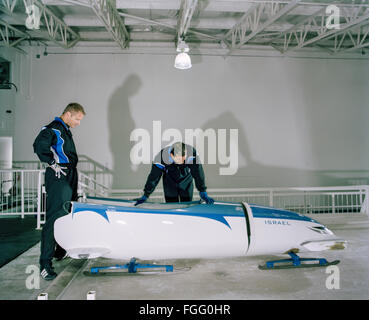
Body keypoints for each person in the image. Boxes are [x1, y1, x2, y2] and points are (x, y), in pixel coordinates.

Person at [33, 103, 85, 280]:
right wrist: (51, 163)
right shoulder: (53, 128)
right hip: (59, 174)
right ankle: (45, 264)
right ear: (68, 114)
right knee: (54, 217)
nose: (78, 123)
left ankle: (60, 250)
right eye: (77, 119)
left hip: (70, 173)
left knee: (68, 212)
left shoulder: (65, 129)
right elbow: (39, 145)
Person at [135, 142, 214, 205]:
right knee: (172, 205)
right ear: (171, 155)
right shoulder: (161, 157)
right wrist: (146, 194)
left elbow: (198, 173)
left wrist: (202, 190)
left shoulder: (192, 154)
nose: (183, 161)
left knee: (186, 205)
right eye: (180, 159)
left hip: (186, 180)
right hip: (170, 181)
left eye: (184, 159)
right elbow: (154, 177)